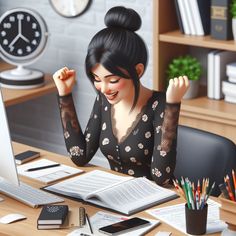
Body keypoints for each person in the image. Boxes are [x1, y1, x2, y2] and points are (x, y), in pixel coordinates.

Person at [52, 6, 189, 185]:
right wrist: (65, 94)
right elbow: (80, 156)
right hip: (116, 198)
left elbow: (161, 176)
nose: (104, 88)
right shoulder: (104, 100)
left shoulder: (159, 104)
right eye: (96, 79)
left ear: (138, 71)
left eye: (113, 80)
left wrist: (172, 105)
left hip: (153, 201)